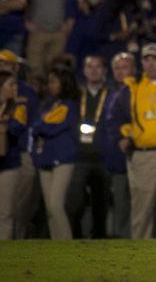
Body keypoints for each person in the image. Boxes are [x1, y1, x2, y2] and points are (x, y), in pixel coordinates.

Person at [108, 43, 156, 239]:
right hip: (142, 153)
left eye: (155, 59)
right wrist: (122, 136)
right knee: (142, 204)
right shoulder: (132, 87)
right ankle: (141, 248)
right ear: (141, 63)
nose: (151, 64)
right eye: (146, 59)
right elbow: (114, 117)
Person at [66, 55, 112, 238]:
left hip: (103, 158)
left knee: (101, 205)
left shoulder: (112, 95)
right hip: (80, 156)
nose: (93, 70)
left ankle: (99, 244)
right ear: (84, 71)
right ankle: (76, 240)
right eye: (89, 67)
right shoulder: (77, 96)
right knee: (75, 203)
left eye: (98, 66)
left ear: (104, 71)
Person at [33, 66, 80, 240]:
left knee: (55, 205)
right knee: (49, 208)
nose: (49, 85)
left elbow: (51, 128)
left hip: (62, 159)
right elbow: (36, 125)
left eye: (53, 81)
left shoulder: (69, 105)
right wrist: (40, 126)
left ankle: (66, 244)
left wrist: (41, 127)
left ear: (64, 83)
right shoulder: (48, 104)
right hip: (45, 159)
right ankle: (56, 245)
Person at [102, 52, 135, 238]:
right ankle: (123, 240)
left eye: (125, 67)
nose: (121, 72)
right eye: (117, 68)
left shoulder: (141, 90)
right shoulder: (109, 95)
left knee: (142, 202)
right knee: (121, 203)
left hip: (138, 155)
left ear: (134, 69)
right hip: (117, 159)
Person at [0, 71, 27, 239]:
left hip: (9, 164)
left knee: (5, 213)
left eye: (15, 84)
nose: (15, 88)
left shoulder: (19, 107)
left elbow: (17, 128)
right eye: (11, 84)